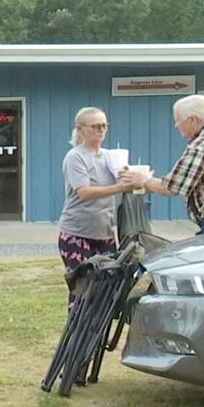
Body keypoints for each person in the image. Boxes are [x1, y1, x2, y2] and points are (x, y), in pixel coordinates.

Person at [123, 94, 204, 234]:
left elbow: (172, 187)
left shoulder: (203, 144)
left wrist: (144, 180)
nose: (176, 126)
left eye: (178, 120)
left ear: (193, 119)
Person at [57, 107, 128, 309]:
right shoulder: (75, 157)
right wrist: (119, 187)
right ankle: (77, 328)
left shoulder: (110, 156)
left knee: (105, 288)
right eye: (95, 126)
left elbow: (122, 181)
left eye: (104, 125)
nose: (101, 130)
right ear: (80, 130)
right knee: (83, 290)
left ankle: (98, 327)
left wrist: (133, 178)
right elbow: (84, 192)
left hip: (104, 232)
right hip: (77, 232)